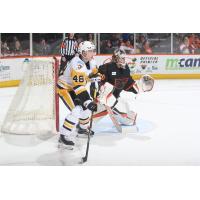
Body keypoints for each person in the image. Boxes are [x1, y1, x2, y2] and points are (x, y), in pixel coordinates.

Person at [90, 49, 154, 126]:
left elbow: (128, 83)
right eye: (122, 58)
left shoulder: (125, 69)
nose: (124, 60)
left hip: (115, 99)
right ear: (116, 58)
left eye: (124, 58)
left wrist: (139, 87)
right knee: (89, 119)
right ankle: (87, 122)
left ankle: (127, 116)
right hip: (102, 99)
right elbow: (96, 82)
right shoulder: (106, 67)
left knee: (129, 120)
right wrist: (99, 91)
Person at [57, 41, 98, 147]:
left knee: (87, 109)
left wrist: (97, 81)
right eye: (90, 51)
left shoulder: (92, 61)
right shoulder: (76, 63)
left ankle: (82, 128)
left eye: (93, 50)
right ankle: (63, 136)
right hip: (65, 88)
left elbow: (92, 75)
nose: (93, 53)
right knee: (77, 110)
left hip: (76, 88)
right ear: (83, 52)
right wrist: (88, 101)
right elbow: (78, 86)